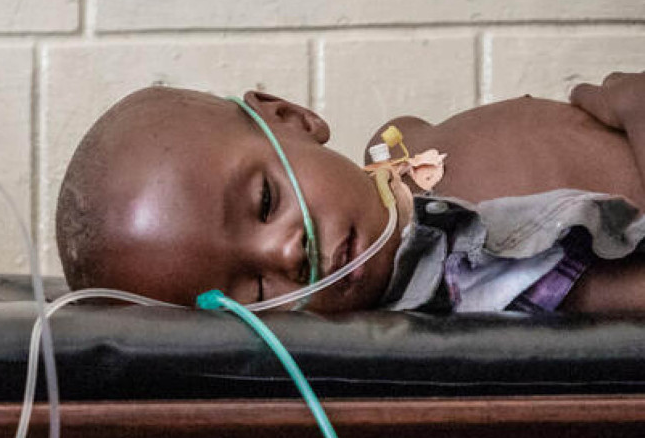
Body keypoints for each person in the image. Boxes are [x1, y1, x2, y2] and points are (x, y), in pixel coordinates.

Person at [55, 74, 645, 314]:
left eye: (265, 202)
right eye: (257, 293)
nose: (287, 257)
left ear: (291, 116)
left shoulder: (393, 152)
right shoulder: (472, 275)